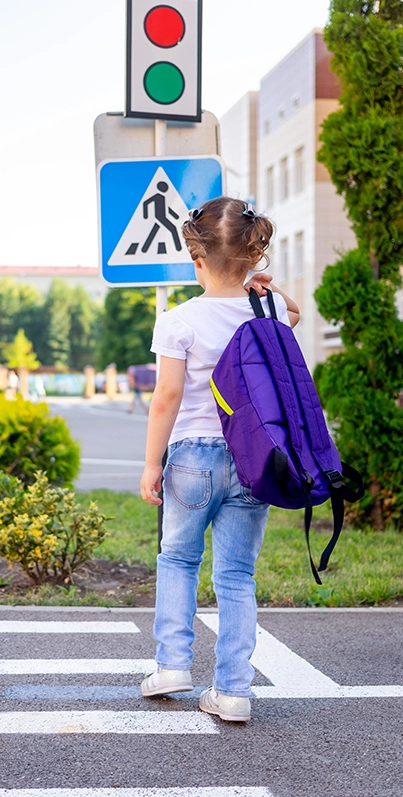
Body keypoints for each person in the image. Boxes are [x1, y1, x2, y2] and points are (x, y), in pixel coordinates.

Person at [138, 196, 300, 723]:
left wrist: (150, 464)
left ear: (196, 257)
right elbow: (295, 315)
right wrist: (270, 288)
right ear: (253, 259)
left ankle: (173, 665)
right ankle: (232, 691)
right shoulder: (266, 309)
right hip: (255, 458)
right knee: (236, 576)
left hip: (191, 457)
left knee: (178, 559)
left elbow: (165, 398)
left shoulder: (179, 320)